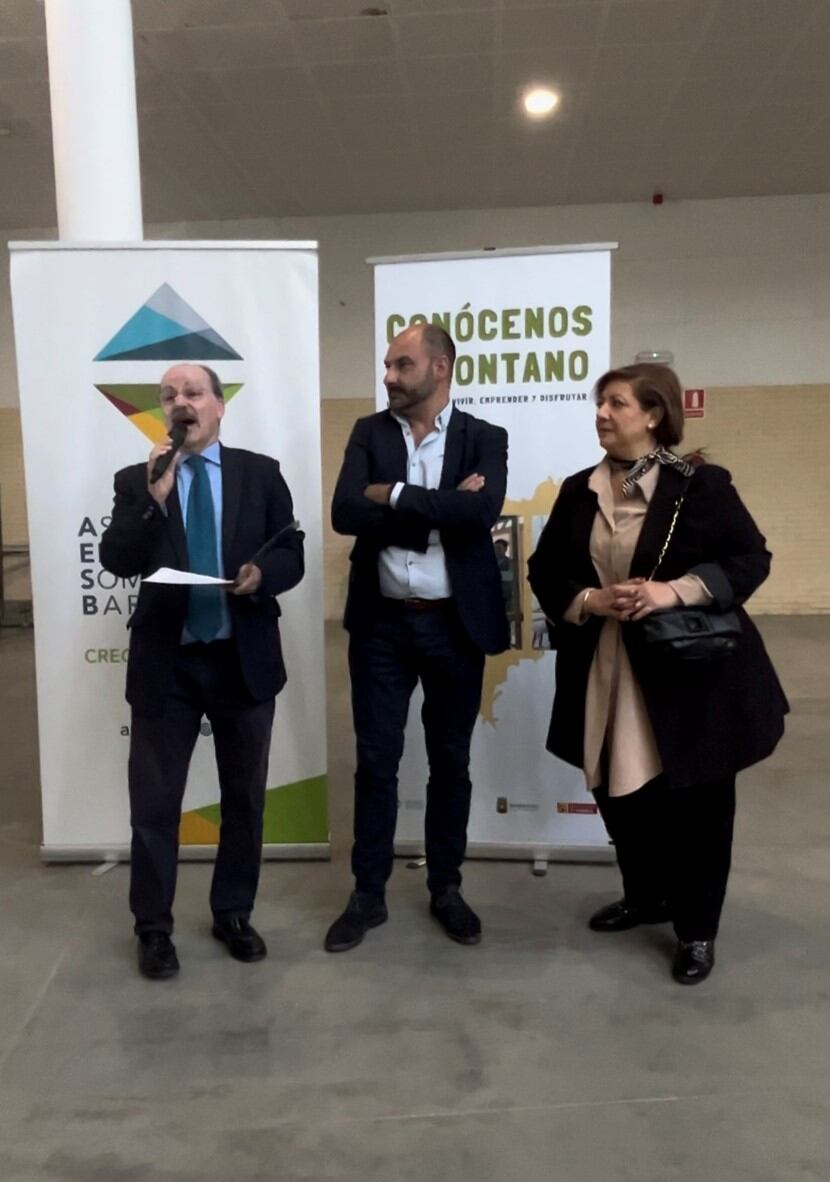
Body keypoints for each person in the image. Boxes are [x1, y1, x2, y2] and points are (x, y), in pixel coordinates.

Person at [528, 364, 787, 984]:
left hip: (687, 676)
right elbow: (545, 570)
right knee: (617, 793)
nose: (601, 414)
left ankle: (697, 930)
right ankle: (647, 896)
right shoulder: (577, 490)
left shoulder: (699, 485)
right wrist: (590, 602)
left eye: (615, 403)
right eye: (599, 403)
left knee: (698, 805)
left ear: (653, 415)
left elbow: (751, 558)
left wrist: (673, 592)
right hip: (605, 670)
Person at [99, 363, 304, 979]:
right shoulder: (139, 480)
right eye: (169, 396)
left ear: (218, 406)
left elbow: (290, 548)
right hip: (169, 664)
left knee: (244, 799)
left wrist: (264, 575)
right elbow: (117, 559)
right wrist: (152, 502)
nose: (180, 403)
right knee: (155, 805)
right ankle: (154, 929)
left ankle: (233, 913)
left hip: (241, 661)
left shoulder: (260, 473)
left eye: (192, 393)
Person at [325, 323, 509, 952]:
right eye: (386, 365)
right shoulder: (368, 432)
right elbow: (345, 512)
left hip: (454, 625)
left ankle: (446, 889)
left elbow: (481, 515)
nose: (388, 376)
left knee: (448, 762)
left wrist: (397, 494)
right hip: (381, 625)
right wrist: (436, 509)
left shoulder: (486, 438)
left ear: (440, 367)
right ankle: (367, 895)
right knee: (375, 761)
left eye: (401, 365)